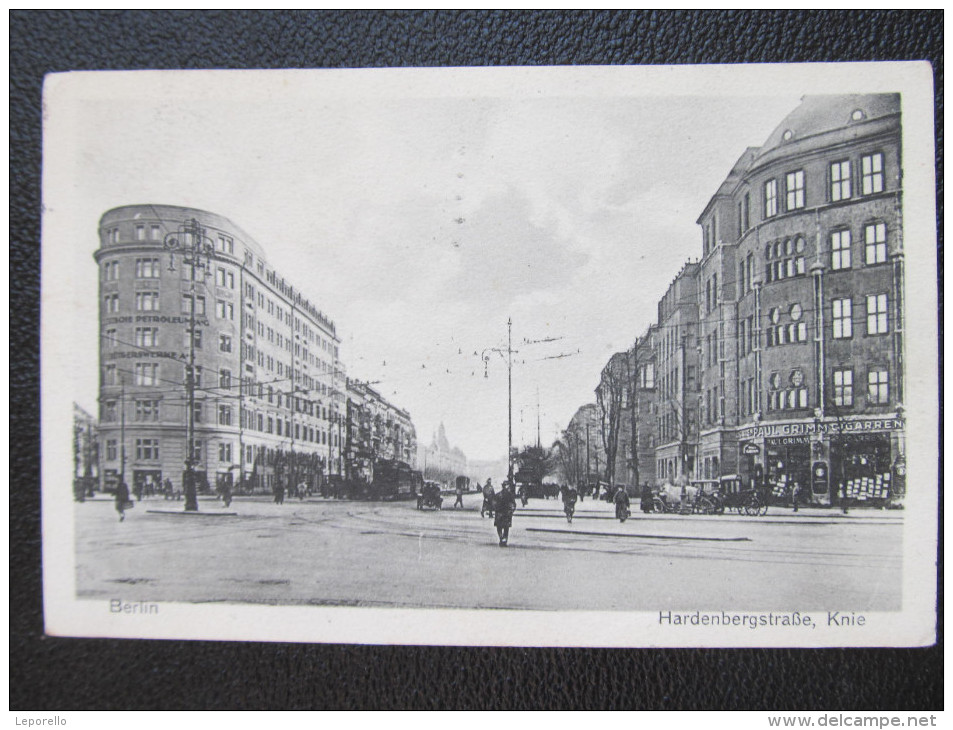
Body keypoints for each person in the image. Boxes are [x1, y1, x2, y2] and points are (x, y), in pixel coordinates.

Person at [494, 482, 517, 546]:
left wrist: (496, 510)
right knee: (506, 527)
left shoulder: (498, 494)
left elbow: (494, 504)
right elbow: (513, 504)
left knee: (499, 527)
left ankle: (501, 538)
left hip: (499, 513)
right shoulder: (510, 495)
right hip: (507, 513)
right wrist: (512, 511)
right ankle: (504, 540)